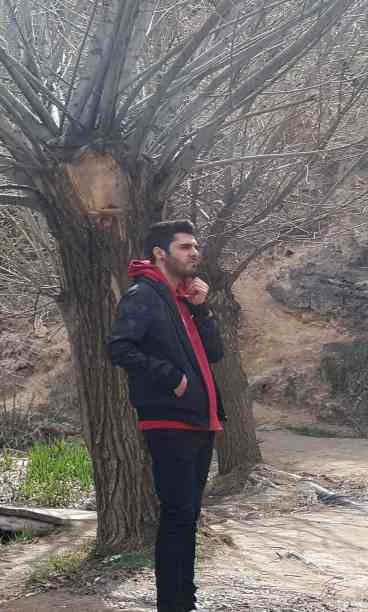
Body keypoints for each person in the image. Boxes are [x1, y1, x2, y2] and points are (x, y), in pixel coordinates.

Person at [108, 220, 226, 612]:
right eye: (185, 247)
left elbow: (214, 354)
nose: (195, 253)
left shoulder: (181, 299)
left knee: (187, 514)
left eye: (196, 247)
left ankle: (183, 600)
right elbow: (119, 348)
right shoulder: (143, 295)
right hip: (169, 420)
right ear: (160, 253)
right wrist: (172, 378)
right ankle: (174, 605)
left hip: (199, 420)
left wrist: (202, 308)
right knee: (177, 514)